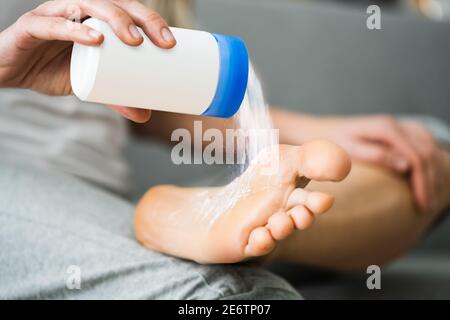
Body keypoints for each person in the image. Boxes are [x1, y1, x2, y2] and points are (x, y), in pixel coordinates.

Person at [0, 0, 448, 299]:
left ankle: (229, 222)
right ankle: (233, 226)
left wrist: (314, 131)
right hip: (14, 179)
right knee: (232, 296)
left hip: (100, 196)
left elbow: (147, 103)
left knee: (427, 147)